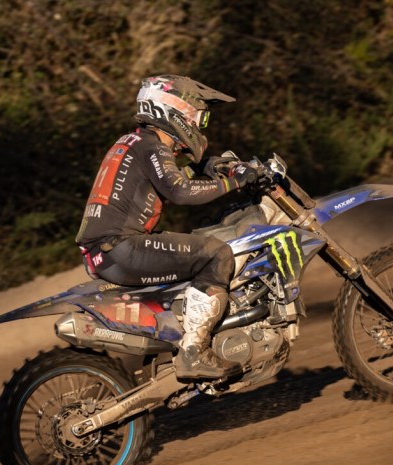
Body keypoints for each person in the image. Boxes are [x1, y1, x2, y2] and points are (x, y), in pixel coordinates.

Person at [76, 74, 257, 380]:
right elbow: (180, 191)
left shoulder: (136, 142)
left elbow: (168, 178)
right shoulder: (151, 147)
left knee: (197, 242)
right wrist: (235, 181)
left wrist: (210, 167)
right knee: (217, 254)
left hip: (107, 250)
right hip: (120, 248)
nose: (199, 125)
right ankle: (194, 352)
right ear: (175, 112)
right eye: (198, 117)